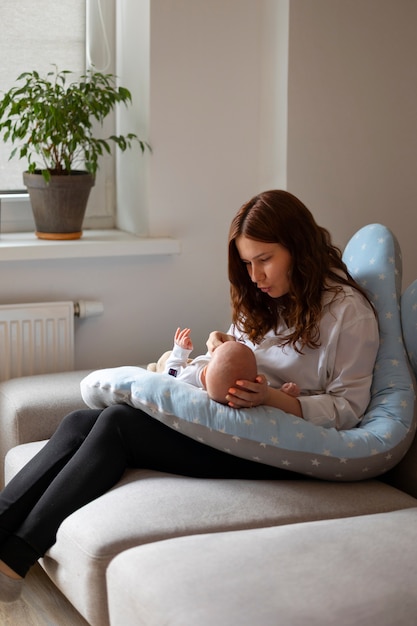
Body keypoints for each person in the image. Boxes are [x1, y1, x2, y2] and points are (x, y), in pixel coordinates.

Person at [0, 189, 379, 602]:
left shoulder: (348, 313)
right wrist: (211, 357)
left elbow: (348, 411)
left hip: (279, 442)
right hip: (234, 419)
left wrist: (272, 399)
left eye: (265, 260)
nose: (256, 277)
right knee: (78, 421)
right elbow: (231, 364)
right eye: (247, 263)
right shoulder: (263, 299)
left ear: (299, 248)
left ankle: (15, 559)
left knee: (119, 427)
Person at [164, 327, 300, 404]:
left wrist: (180, 350)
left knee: (166, 358)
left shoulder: (189, 380)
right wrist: (282, 393)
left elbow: (171, 371)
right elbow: (262, 390)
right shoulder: (243, 386)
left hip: (184, 363)